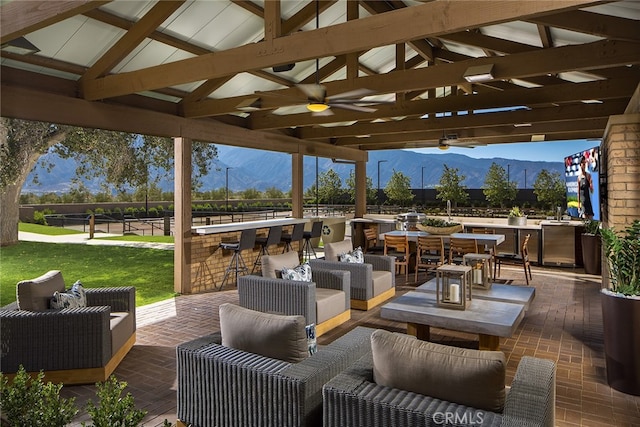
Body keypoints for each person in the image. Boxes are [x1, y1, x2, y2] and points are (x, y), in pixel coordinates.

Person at [577, 155, 594, 219]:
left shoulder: (588, 175)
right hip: (583, 204)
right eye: (582, 163)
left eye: (584, 163)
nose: (584, 165)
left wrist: (591, 184)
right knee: (584, 220)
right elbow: (578, 192)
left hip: (588, 202)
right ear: (580, 165)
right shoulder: (578, 177)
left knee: (590, 219)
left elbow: (592, 191)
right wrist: (578, 205)